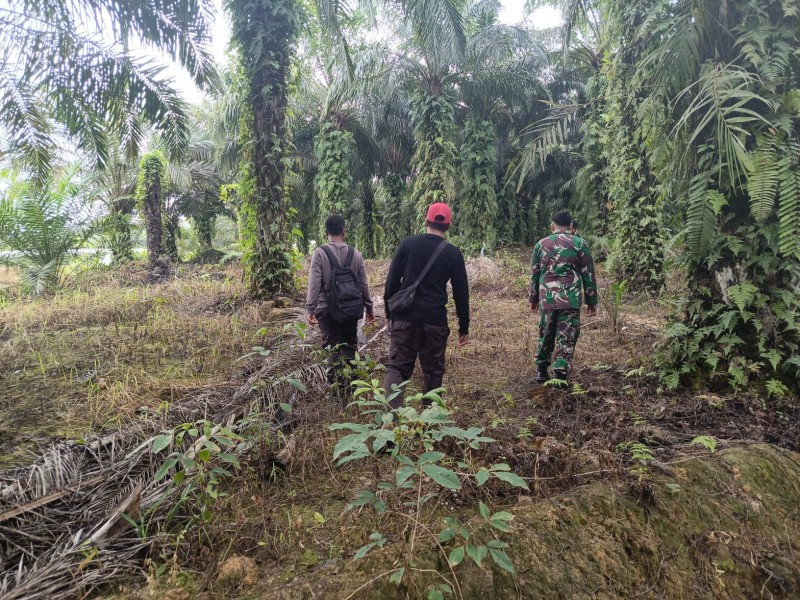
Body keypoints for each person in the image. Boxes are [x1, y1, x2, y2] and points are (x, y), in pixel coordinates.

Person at [383, 202, 469, 408]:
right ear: (448, 225)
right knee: (433, 371)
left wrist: (389, 313)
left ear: (425, 220)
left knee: (398, 367)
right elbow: (461, 293)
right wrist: (463, 326)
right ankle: (428, 424)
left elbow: (392, 282)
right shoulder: (453, 253)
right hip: (435, 321)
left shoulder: (407, 245)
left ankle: (390, 419)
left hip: (405, 318)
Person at [306, 214, 375, 396]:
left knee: (332, 348)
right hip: (351, 309)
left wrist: (310, 308)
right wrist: (369, 307)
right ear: (344, 231)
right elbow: (363, 283)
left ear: (326, 231)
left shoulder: (320, 253)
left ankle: (338, 392)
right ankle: (352, 388)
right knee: (350, 346)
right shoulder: (356, 254)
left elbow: (314, 282)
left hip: (326, 309)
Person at [530, 210, 598, 387]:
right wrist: (592, 301)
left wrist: (533, 299)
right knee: (566, 335)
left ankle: (541, 371)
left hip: (548, 298)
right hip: (570, 299)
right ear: (571, 227)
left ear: (552, 225)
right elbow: (588, 274)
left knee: (546, 332)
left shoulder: (541, 244)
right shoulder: (580, 244)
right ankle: (560, 374)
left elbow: (535, 274)